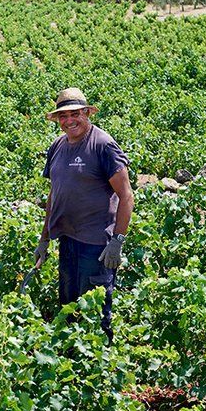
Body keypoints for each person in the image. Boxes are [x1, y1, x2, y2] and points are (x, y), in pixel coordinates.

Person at [33, 88, 134, 343]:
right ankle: (71, 362)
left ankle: (99, 367)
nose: (69, 121)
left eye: (75, 114)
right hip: (67, 240)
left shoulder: (102, 145)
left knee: (95, 312)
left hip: (96, 244)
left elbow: (126, 195)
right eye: (63, 116)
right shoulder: (57, 146)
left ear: (87, 113)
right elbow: (54, 195)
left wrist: (117, 241)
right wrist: (44, 239)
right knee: (68, 305)